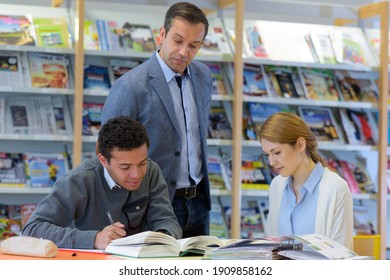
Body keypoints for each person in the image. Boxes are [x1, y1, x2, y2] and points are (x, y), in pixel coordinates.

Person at [101, 2, 212, 237]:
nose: (184, 52)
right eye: (178, 41)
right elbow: (107, 152)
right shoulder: (130, 86)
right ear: (162, 34)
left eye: (194, 45)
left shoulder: (203, 76)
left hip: (199, 201)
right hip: (152, 206)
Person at [22, 116, 182, 249]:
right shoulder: (78, 181)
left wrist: (163, 238)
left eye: (142, 163)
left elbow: (166, 220)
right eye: (125, 167)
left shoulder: (152, 171)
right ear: (103, 160)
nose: (137, 174)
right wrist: (94, 239)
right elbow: (33, 229)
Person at [256, 112, 353, 249]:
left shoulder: (336, 188)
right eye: (267, 155)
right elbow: (271, 247)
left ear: (300, 145)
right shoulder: (276, 186)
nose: (271, 162)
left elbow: (340, 256)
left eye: (277, 152)